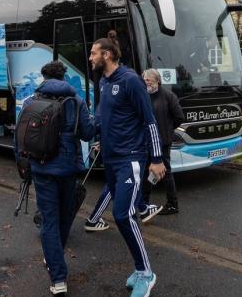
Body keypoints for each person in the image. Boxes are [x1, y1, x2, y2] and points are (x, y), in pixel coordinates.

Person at [89, 38, 166, 297]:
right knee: (124, 215)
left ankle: (146, 273)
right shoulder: (104, 81)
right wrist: (98, 137)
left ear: (107, 55)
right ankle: (139, 267)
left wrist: (156, 159)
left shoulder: (130, 80)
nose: (90, 58)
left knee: (123, 215)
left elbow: (150, 121)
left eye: (93, 53)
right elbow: (104, 115)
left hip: (130, 159)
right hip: (110, 158)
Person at [15, 61, 95, 296]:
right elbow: (88, 133)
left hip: (41, 169)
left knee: (49, 219)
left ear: (44, 77)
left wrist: (23, 167)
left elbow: (20, 138)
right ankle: (54, 256)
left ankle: (58, 278)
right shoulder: (76, 101)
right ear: (64, 77)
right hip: (68, 169)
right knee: (65, 214)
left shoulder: (31, 102)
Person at [141, 69, 184, 215]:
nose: (146, 82)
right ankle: (144, 202)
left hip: (163, 142)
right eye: (145, 79)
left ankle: (173, 204)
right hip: (146, 141)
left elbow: (179, 117)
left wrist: (167, 130)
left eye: (149, 80)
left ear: (158, 81)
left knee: (165, 172)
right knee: (147, 171)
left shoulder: (168, 96)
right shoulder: (143, 95)